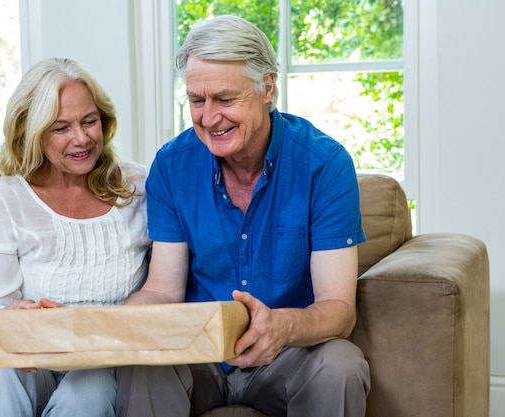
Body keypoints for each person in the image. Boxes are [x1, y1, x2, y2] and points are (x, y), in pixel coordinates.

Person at [116, 15, 370, 417]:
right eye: (197, 100)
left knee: (340, 363)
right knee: (141, 365)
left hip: (286, 356)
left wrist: (281, 328)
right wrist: (105, 324)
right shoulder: (171, 165)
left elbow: (339, 307)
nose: (209, 117)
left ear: (267, 87)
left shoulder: (325, 165)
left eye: (225, 99)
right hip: (197, 355)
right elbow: (163, 290)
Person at [0, 57, 151, 417]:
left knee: (88, 390)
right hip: (31, 359)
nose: (82, 138)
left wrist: (84, 338)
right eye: (61, 128)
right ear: (31, 130)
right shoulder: (1, 199)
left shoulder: (139, 188)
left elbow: (166, 287)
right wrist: (14, 318)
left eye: (90, 121)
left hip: (105, 361)